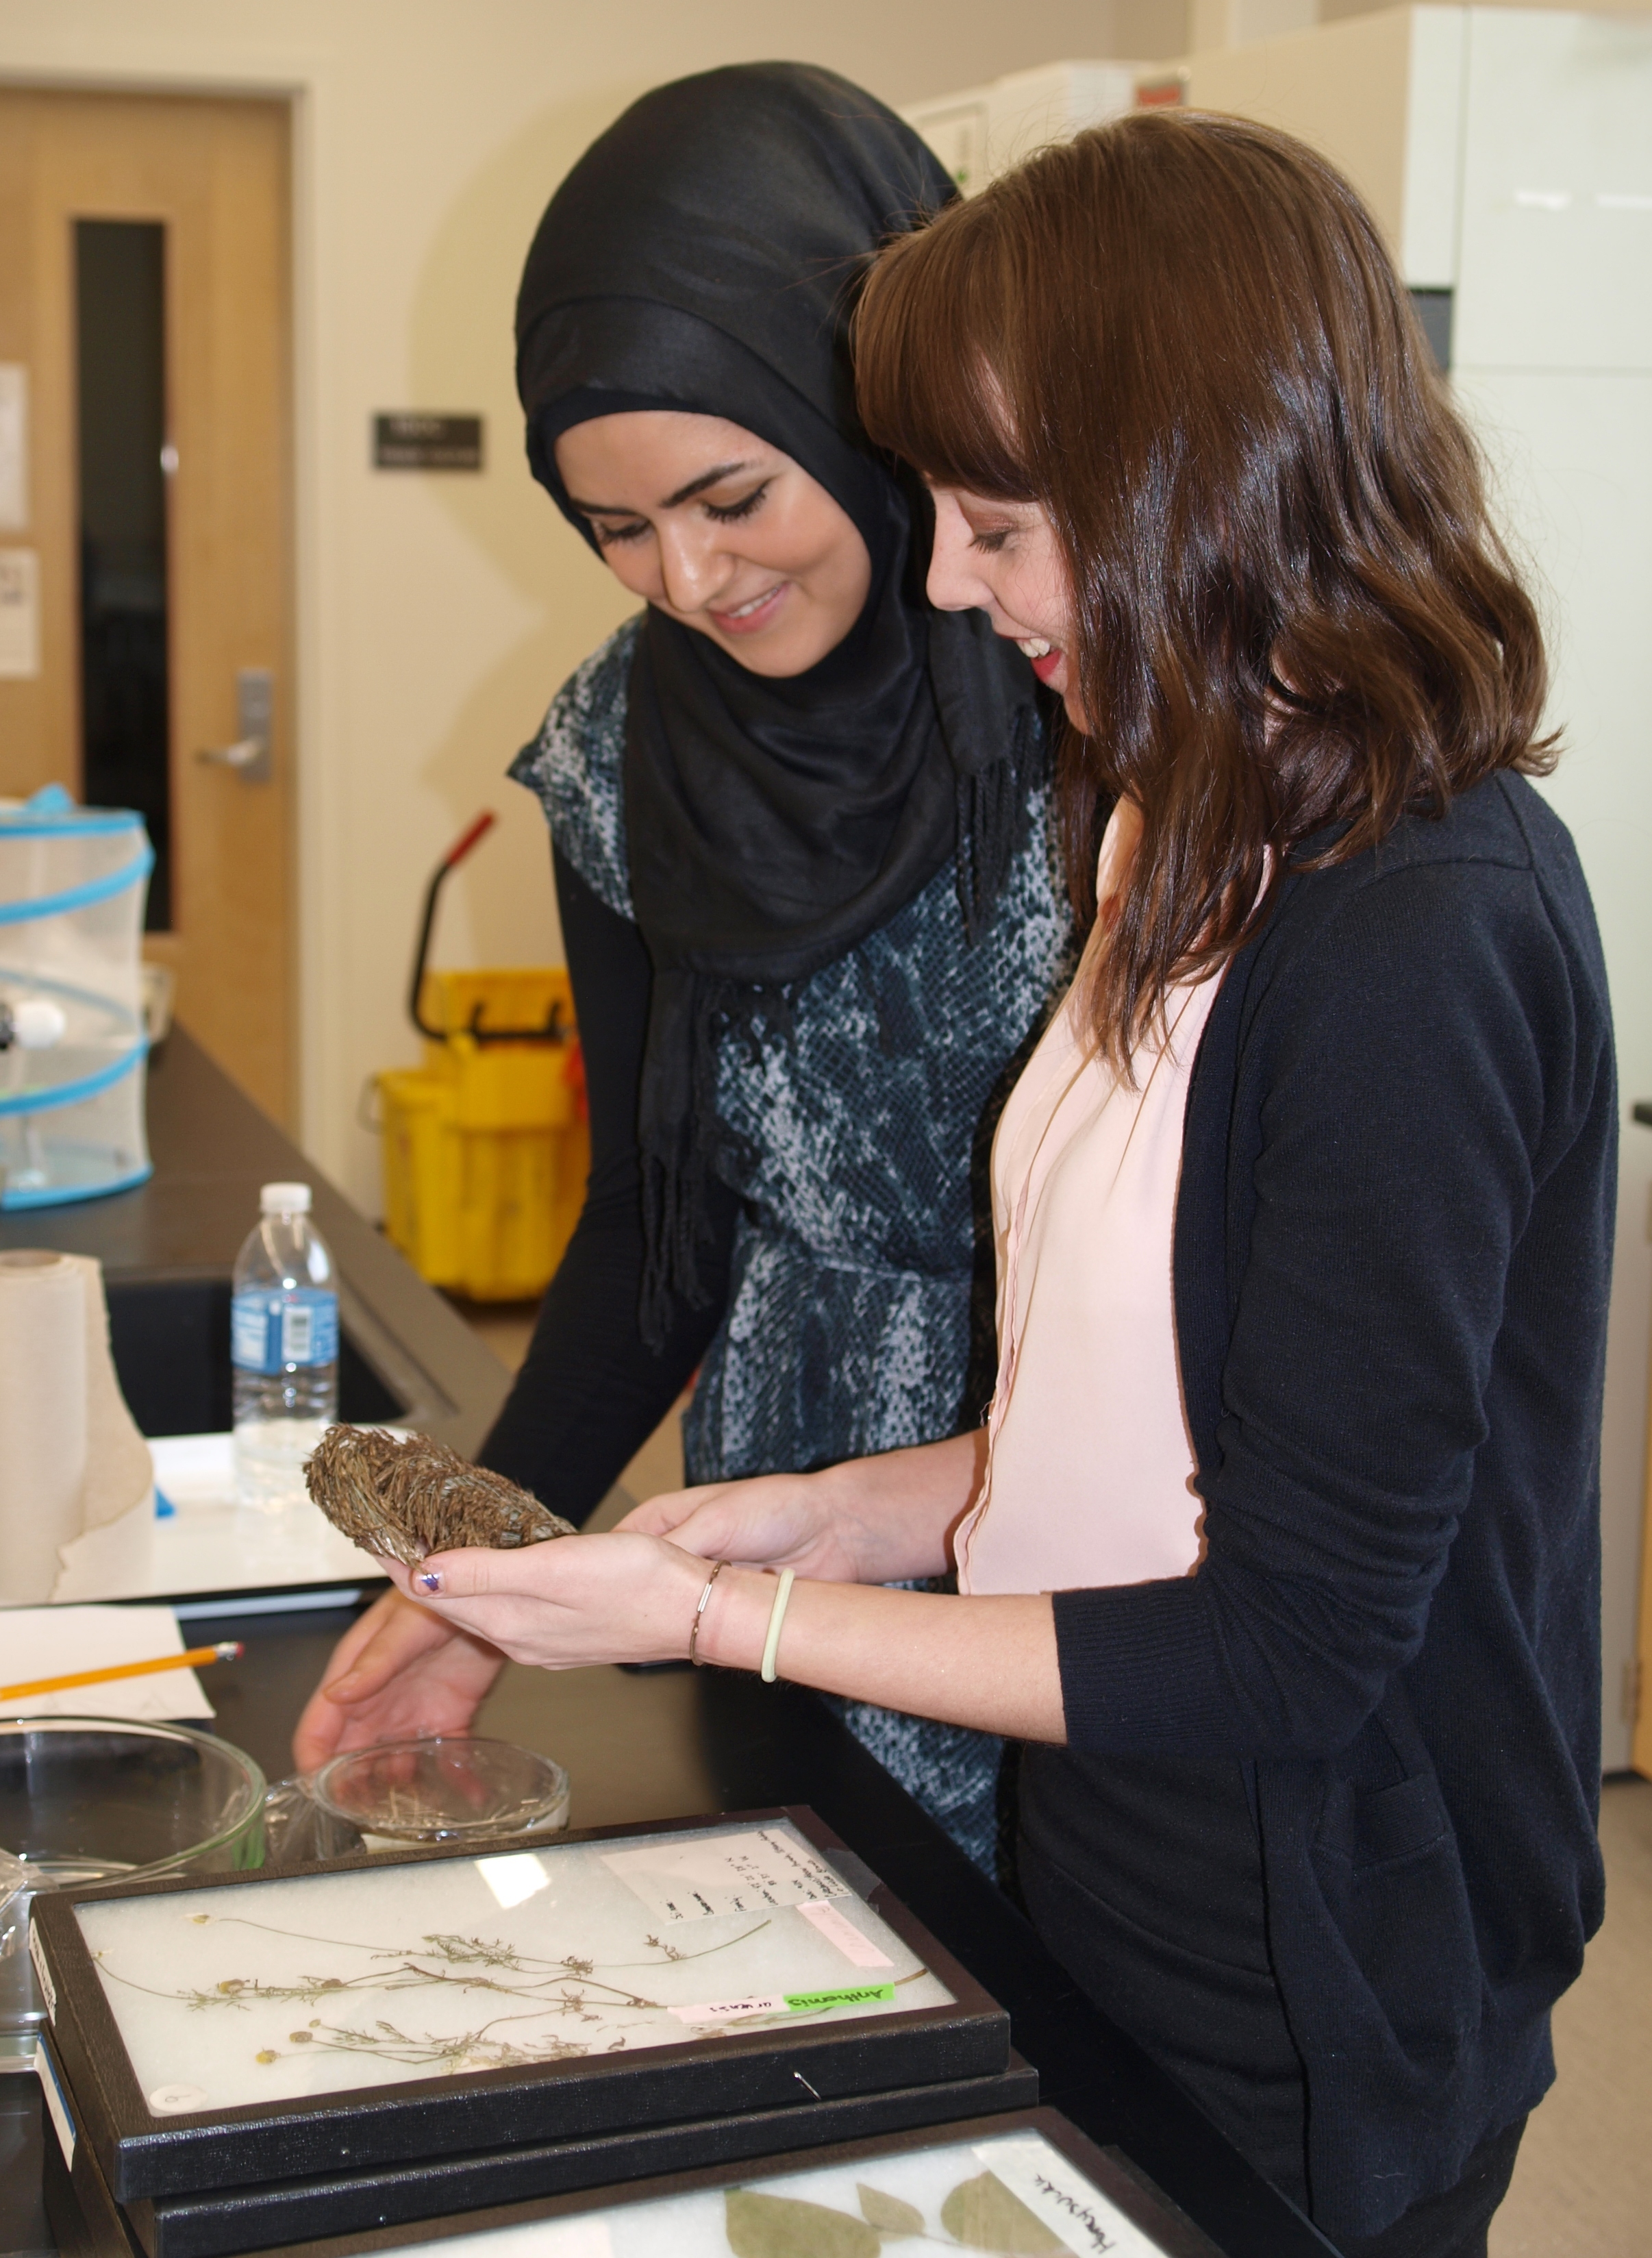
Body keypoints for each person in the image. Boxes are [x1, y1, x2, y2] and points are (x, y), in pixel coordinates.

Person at [354, 110, 1616, 2257]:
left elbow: (1295, 1644)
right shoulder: (1177, 832)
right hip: (1107, 1839)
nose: (943, 576)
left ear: (1195, 483)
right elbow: (1132, 1425)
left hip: (1316, 1928)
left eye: (994, 521)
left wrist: (718, 1612)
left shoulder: (1419, 929)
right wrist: (837, 1507)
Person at [293, 64, 1073, 1873]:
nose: (687, 577)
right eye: (615, 529)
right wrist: (478, 1576)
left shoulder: (1073, 683)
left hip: (1066, 1499)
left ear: (860, 406)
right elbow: (657, 1223)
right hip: (768, 1507)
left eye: (731, 494)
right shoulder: (625, 745)